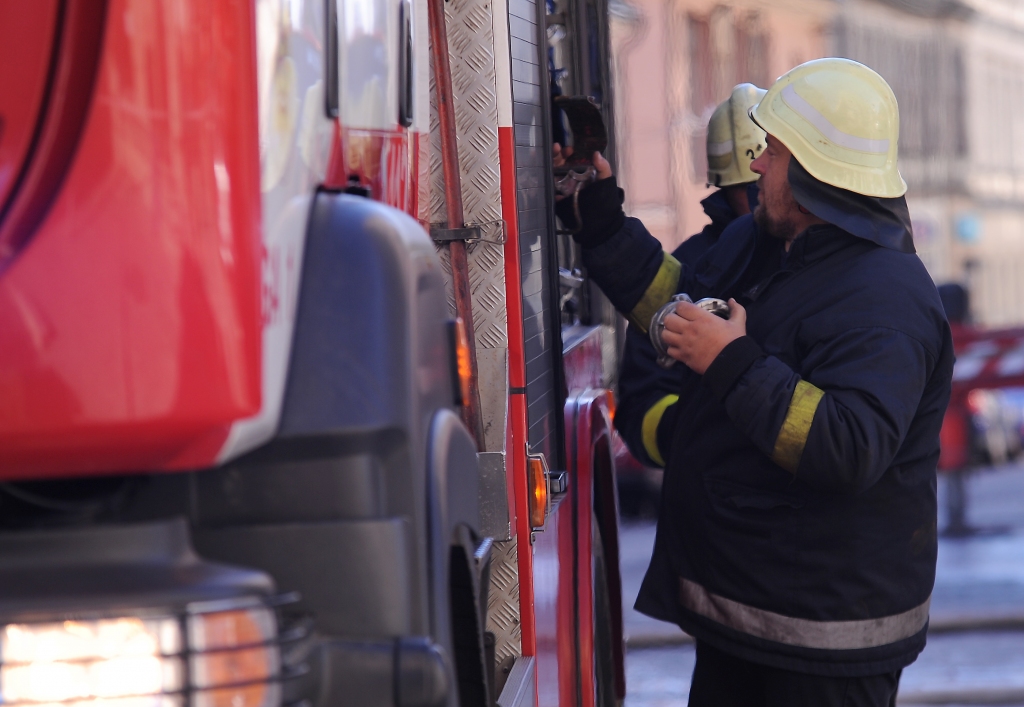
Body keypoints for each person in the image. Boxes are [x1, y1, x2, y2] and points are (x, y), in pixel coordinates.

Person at [574, 58, 955, 706]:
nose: (755, 166)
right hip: (753, 622)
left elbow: (849, 443)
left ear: (814, 172)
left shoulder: (884, 299)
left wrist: (732, 359)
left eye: (772, 153)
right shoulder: (770, 244)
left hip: (823, 650)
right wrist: (599, 218)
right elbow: (676, 303)